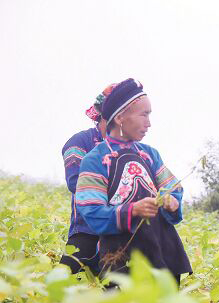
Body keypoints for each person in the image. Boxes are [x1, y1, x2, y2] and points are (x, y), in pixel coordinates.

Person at [75, 78, 192, 282]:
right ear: (120, 117)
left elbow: (174, 189)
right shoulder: (95, 160)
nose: (149, 122)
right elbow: (92, 211)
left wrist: (171, 201)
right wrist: (132, 210)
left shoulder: (150, 155)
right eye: (144, 114)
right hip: (121, 257)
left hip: (163, 251)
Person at [59, 83, 115, 275]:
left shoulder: (129, 149)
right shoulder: (79, 142)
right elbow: (75, 181)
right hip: (86, 231)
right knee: (62, 283)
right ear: (104, 115)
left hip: (119, 234)